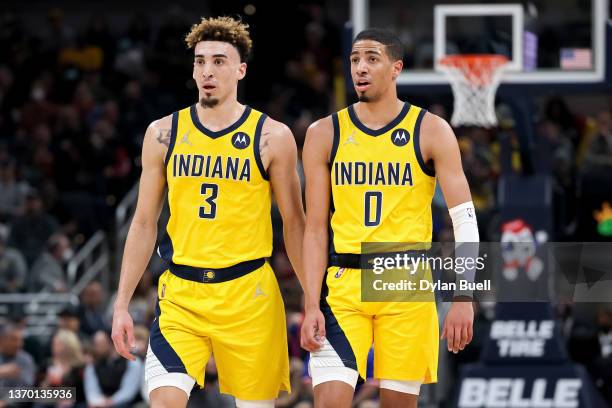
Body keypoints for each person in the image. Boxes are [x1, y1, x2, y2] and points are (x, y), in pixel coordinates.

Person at [111, 16, 305, 408]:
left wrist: (314, 300)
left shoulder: (273, 136)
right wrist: (121, 304)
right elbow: (145, 222)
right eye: (200, 61)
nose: (207, 71)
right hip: (182, 296)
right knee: (164, 402)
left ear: (240, 69)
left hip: (249, 296)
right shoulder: (162, 133)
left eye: (219, 61)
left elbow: (296, 226)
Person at [300, 28, 478, 408]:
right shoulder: (323, 133)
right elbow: (314, 229)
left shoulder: (431, 130)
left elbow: (464, 219)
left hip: (407, 283)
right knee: (329, 401)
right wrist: (310, 302)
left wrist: (463, 294)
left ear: (396, 67)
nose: (360, 68)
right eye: (354, 59)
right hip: (343, 285)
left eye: (371, 58)